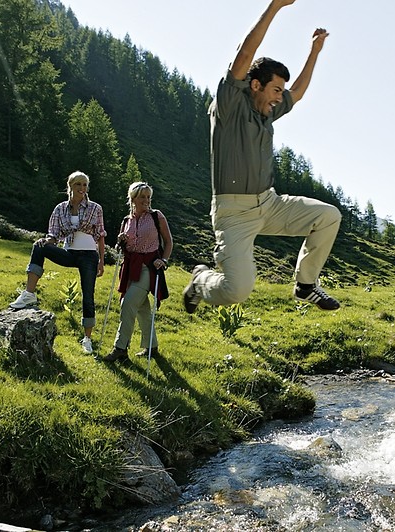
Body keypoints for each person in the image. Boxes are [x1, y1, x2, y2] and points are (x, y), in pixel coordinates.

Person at [182, 0, 342, 315]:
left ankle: (305, 284)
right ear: (256, 85)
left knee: (328, 216)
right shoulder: (229, 105)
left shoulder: (267, 112)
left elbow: (298, 92)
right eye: (276, 89)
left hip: (269, 203)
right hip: (233, 213)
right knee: (237, 290)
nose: (280, 97)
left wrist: (314, 52)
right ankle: (200, 280)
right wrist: (275, 6)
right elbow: (244, 55)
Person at [9, 171, 106, 354]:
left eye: (85, 185)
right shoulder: (60, 209)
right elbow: (53, 234)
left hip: (88, 256)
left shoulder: (95, 208)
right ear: (70, 186)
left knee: (88, 296)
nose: (82, 188)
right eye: (78, 184)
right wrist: (47, 240)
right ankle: (29, 294)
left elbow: (100, 235)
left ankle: (87, 339)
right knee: (39, 246)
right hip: (69, 253)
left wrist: (101, 261)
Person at [103, 182, 173, 363]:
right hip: (130, 267)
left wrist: (164, 260)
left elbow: (168, 241)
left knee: (127, 304)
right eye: (142, 197)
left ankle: (120, 348)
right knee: (142, 309)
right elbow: (121, 246)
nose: (146, 200)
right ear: (133, 198)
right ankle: (152, 347)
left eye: (148, 197)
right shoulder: (126, 221)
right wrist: (120, 241)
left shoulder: (156, 216)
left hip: (149, 268)